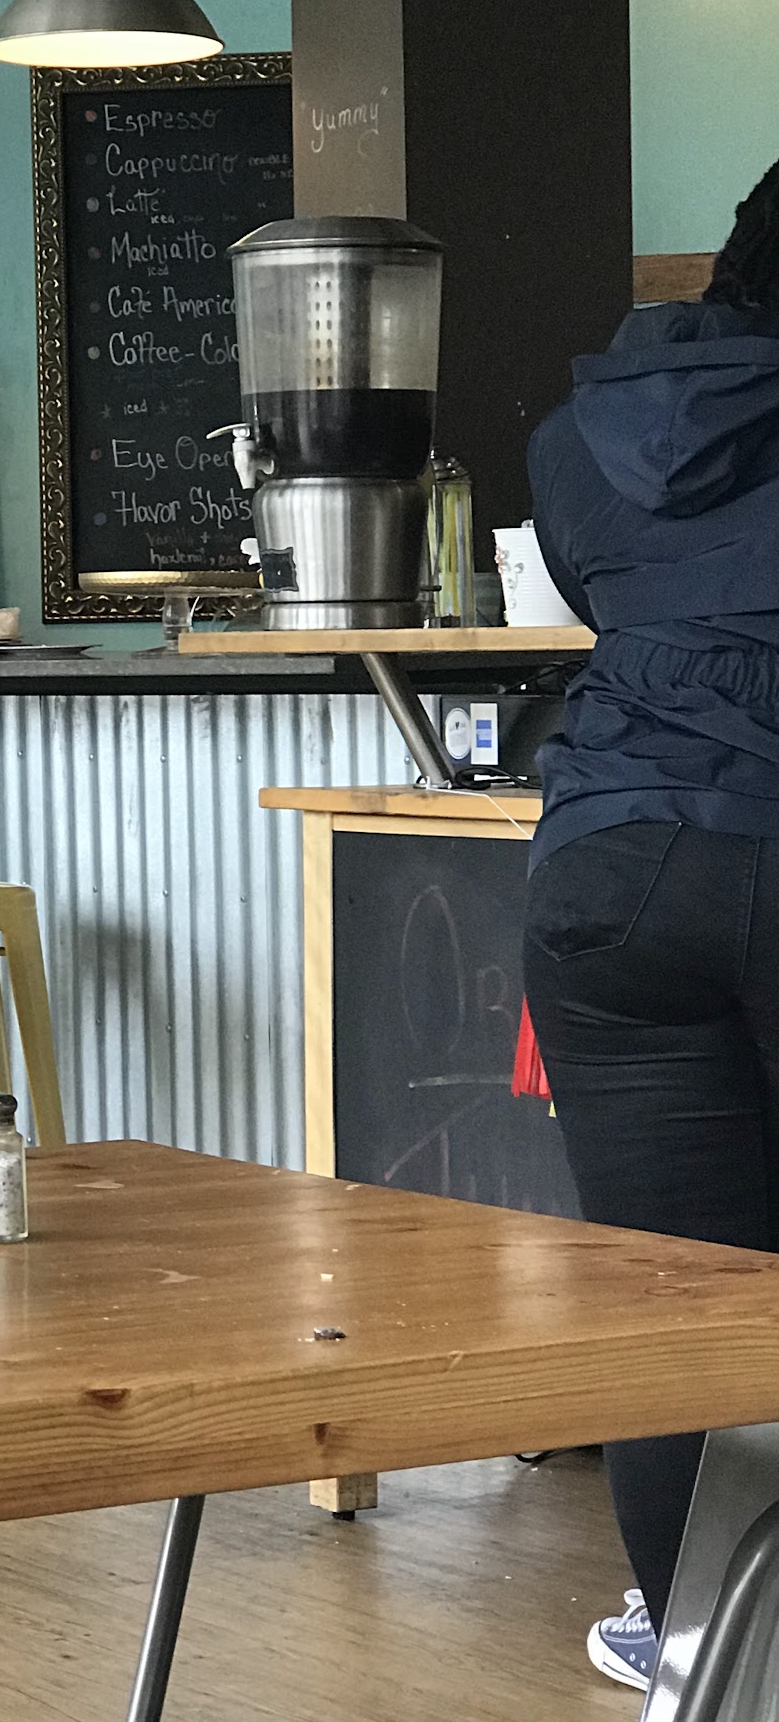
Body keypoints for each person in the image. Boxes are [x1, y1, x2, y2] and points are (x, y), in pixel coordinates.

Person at [523, 155, 779, 1695]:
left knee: (675, 1293)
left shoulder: (582, 437)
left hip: (609, 874)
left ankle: (693, 1650)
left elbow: (615, 593)